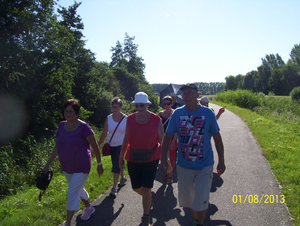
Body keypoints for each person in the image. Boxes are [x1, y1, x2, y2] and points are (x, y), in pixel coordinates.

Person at [161, 84, 226, 226]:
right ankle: (197, 219)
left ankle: (200, 223)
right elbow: (167, 137)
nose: (187, 96)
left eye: (190, 93)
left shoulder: (208, 113)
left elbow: (217, 138)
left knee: (202, 197)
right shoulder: (177, 114)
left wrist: (221, 161)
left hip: (205, 163)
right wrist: (164, 159)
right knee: (187, 199)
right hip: (184, 164)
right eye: (184, 94)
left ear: (197, 95)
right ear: (181, 97)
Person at [43, 99, 104, 226]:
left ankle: (68, 223)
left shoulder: (84, 127)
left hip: (82, 166)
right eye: (66, 111)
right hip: (66, 167)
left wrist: (99, 164)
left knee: (72, 193)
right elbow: (57, 146)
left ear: (77, 113)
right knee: (78, 190)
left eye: (71, 111)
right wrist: (48, 163)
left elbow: (95, 146)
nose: (68, 113)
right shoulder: (61, 125)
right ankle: (89, 208)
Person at [119, 92, 164, 226]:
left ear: (147, 104)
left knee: (145, 188)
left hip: (151, 157)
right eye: (137, 105)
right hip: (133, 158)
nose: (139, 108)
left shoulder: (156, 119)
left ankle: (146, 216)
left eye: (142, 105)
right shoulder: (130, 119)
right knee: (136, 187)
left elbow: (162, 140)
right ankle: (149, 196)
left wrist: (165, 159)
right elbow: (126, 139)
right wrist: (121, 156)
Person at [98, 97, 127, 198]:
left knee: (116, 165)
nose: (115, 109)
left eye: (117, 107)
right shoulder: (108, 118)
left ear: (121, 107)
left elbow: (128, 133)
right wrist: (98, 143)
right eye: (113, 107)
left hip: (121, 145)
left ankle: (114, 188)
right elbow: (105, 132)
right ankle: (122, 177)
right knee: (117, 162)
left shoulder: (126, 119)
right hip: (111, 145)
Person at [157, 95, 178, 185]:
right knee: (162, 158)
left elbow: (177, 129)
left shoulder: (175, 114)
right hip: (162, 139)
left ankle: (170, 176)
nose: (166, 105)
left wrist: (174, 141)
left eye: (168, 103)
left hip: (172, 139)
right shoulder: (160, 114)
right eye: (165, 103)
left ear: (171, 103)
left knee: (171, 158)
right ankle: (166, 171)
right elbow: (157, 128)